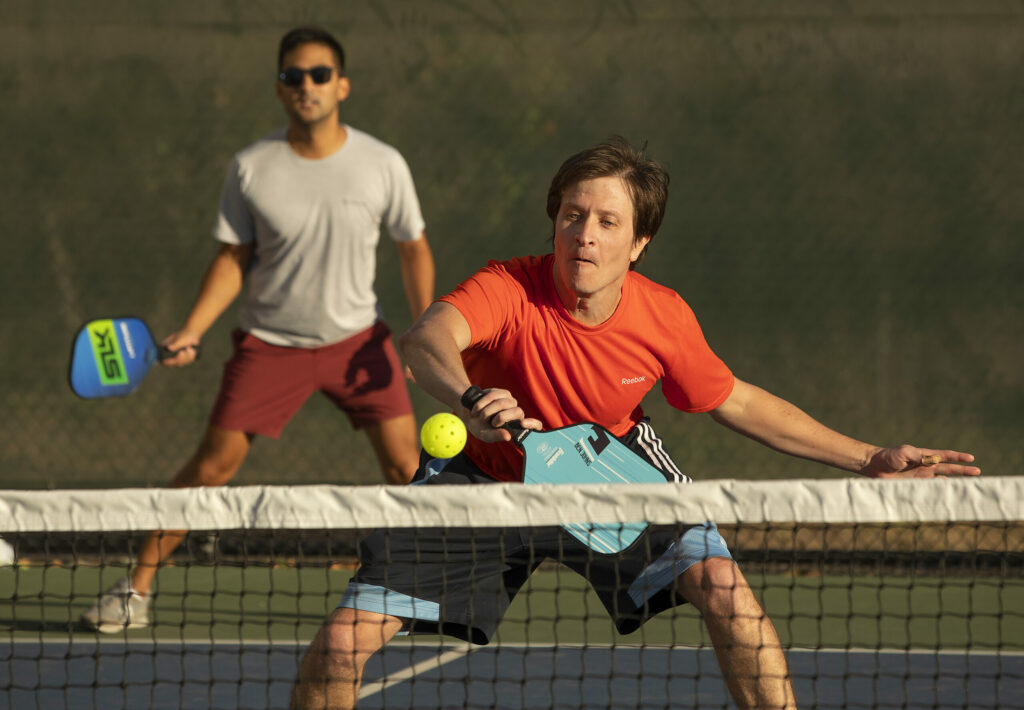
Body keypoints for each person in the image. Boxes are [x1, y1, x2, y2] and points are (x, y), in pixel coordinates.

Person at [289, 138, 980, 709]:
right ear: (554, 222)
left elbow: (734, 399)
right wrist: (469, 394)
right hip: (483, 477)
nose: (584, 235)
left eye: (607, 222)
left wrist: (867, 459)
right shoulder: (507, 286)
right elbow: (425, 340)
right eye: (571, 215)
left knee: (725, 593)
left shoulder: (662, 318)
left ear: (639, 242)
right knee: (345, 643)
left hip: (611, 468)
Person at [81, 26, 436, 633]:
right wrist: (192, 328)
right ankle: (135, 592)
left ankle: (430, 592)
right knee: (211, 469)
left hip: (359, 344)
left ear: (341, 85)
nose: (307, 86)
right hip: (270, 345)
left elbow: (413, 248)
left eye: (319, 74)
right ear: (279, 89)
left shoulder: (383, 163)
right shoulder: (251, 167)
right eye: (294, 76)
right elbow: (232, 259)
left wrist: (424, 327)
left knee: (409, 469)